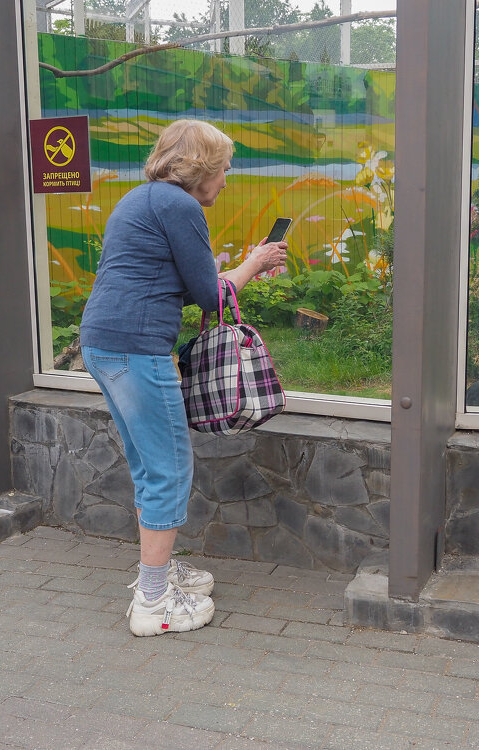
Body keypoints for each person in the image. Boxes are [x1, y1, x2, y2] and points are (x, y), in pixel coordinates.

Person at [78, 121, 287, 637]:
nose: (227, 178)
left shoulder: (141, 199)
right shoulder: (180, 207)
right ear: (201, 168)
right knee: (169, 469)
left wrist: (247, 267)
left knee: (150, 465)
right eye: (224, 168)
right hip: (137, 348)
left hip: (104, 343)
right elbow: (211, 297)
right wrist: (255, 263)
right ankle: (153, 602)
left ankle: (161, 571)